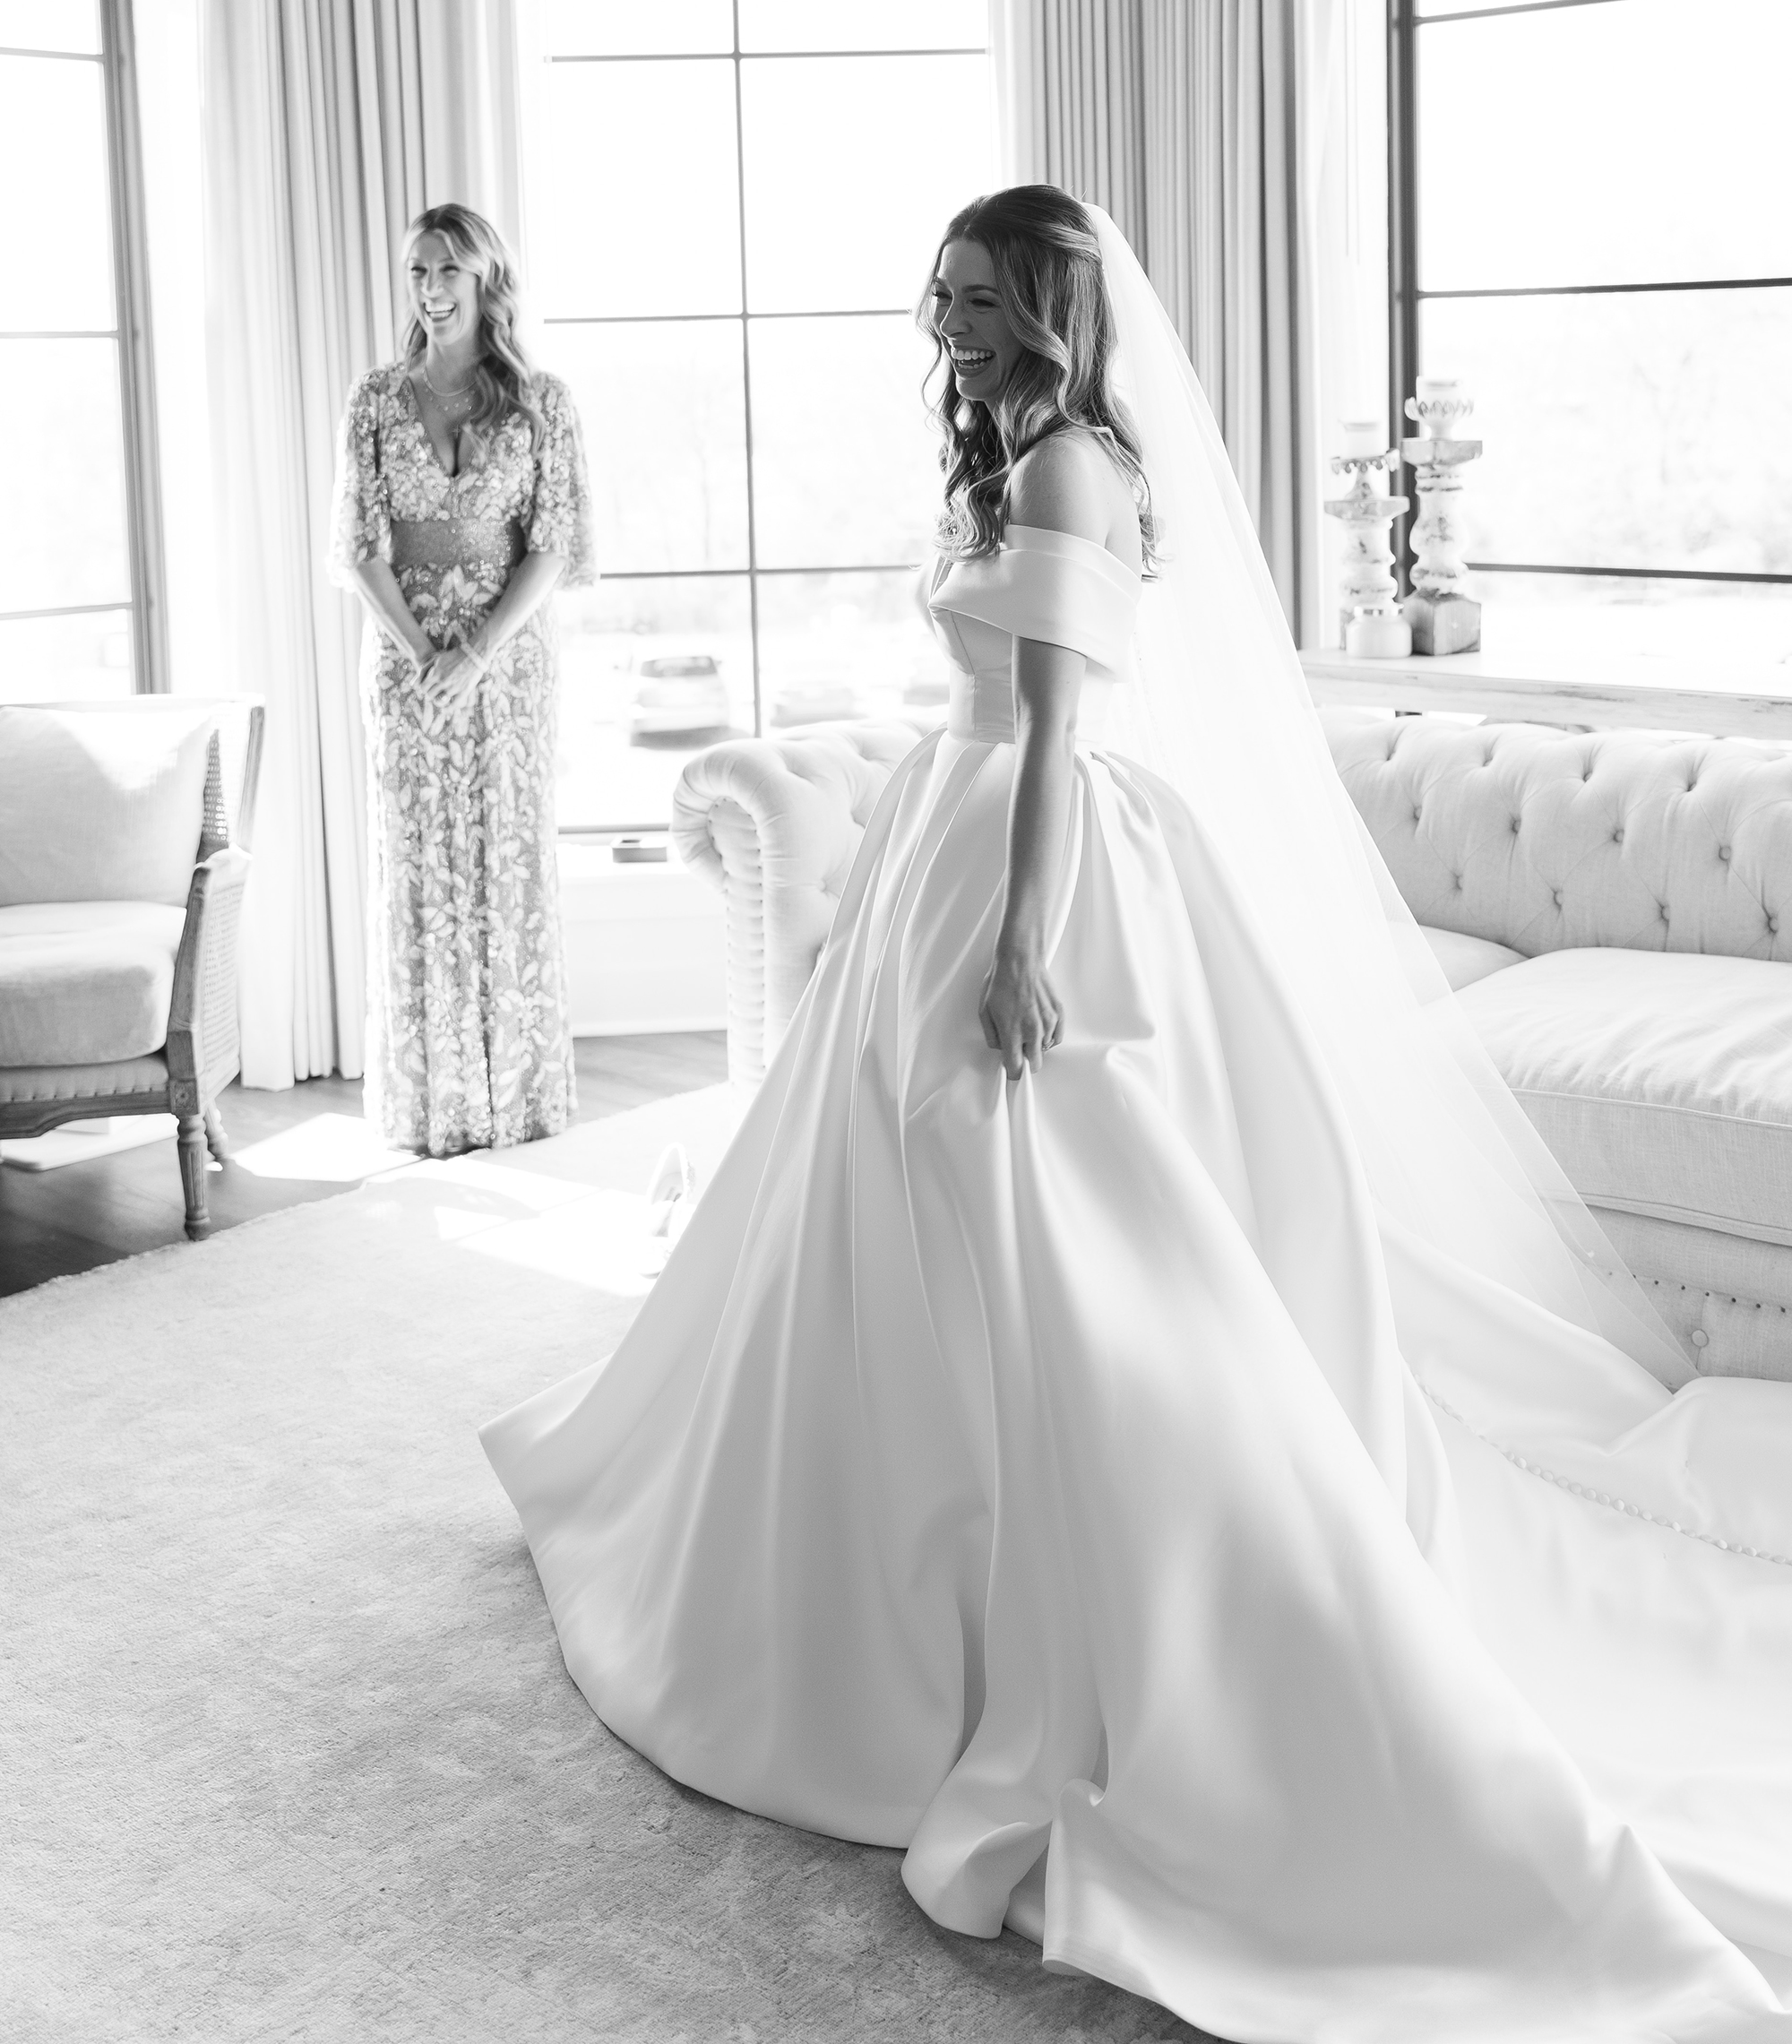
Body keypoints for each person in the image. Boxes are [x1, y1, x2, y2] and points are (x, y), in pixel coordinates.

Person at [481, 189, 1792, 2040]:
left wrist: (1016, 942)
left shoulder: (1073, 469)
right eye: (935, 299)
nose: (946, 327)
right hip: (949, 843)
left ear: (1048, 304)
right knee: (884, 1219)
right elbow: (976, 711)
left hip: (1038, 861)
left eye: (976, 298)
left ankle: (1074, 1605)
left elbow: (1054, 727)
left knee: (1051, 1238)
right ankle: (850, 1571)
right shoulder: (1005, 447)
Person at [330, 202, 595, 1156]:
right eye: (416, 272)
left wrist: (475, 653)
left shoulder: (541, 401)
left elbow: (555, 545)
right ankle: (432, 1105)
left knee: (507, 865)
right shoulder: (373, 399)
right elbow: (359, 549)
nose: (431, 291)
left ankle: (516, 1097)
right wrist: (421, 655)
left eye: (448, 271)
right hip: (405, 666)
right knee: (420, 869)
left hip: (509, 663)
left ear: (486, 280)